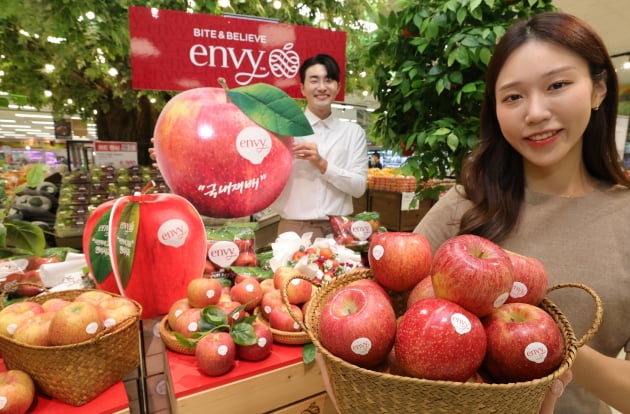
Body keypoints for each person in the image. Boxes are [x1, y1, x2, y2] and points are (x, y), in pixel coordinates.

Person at [413, 12, 630, 414]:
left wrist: (549, 346)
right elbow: (393, 316)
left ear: (599, 89)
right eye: (513, 96)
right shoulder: (466, 205)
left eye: (557, 85)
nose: (534, 112)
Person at [270, 54, 368, 239]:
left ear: (338, 87)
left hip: (339, 229)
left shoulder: (353, 133)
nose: (322, 87)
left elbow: (359, 187)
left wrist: (322, 164)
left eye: (329, 80)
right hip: (293, 229)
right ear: (302, 88)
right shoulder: (283, 130)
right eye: (314, 80)